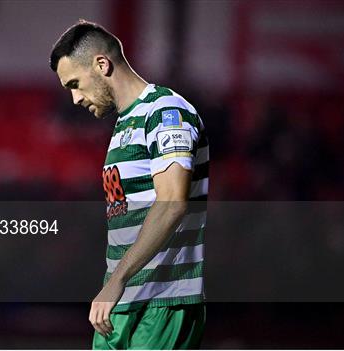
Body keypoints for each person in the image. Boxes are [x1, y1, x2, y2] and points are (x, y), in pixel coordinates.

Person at [50, 20, 209, 350]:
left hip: (162, 301)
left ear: (102, 64)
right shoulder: (125, 125)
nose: (76, 98)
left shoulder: (166, 111)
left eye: (76, 84)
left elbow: (172, 203)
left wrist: (118, 280)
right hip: (120, 303)